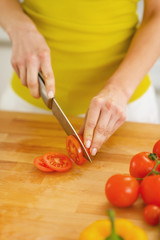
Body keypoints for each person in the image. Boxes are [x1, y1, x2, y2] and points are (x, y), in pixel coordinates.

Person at [0, 0, 160, 156]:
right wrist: (20, 29)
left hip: (125, 107)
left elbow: (157, 12)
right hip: (26, 108)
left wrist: (120, 89)